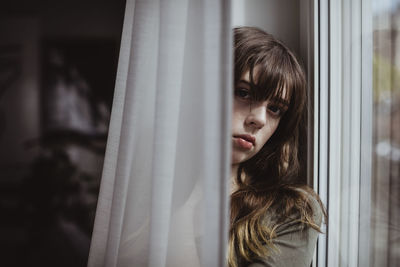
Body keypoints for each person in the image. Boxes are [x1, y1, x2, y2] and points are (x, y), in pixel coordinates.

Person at [229, 27, 326, 267]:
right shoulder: (141, 177)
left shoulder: (291, 210)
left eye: (275, 109)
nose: (259, 119)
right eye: (244, 93)